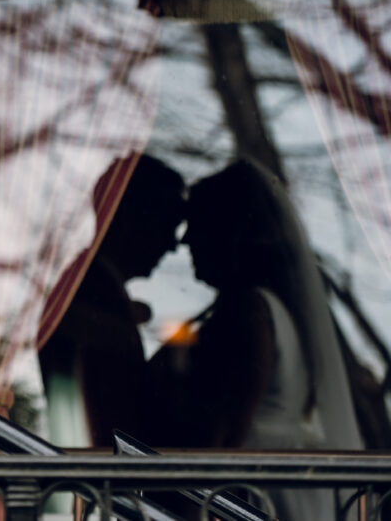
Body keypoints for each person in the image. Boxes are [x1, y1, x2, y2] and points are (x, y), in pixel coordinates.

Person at [147, 159, 362, 520]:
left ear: (226, 230)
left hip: (251, 500)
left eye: (198, 222)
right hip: (283, 493)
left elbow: (225, 432)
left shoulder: (246, 310)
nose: (185, 239)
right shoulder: (277, 309)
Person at [39, 154, 185, 446]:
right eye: (168, 222)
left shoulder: (92, 288)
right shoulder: (88, 293)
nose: (172, 245)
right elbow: (110, 407)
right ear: (134, 217)